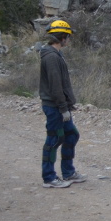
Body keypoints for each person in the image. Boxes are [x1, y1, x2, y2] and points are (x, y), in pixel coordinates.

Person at [40, 19, 86, 188]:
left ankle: (68, 172)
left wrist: (67, 105)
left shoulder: (56, 55)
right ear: (62, 37)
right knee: (53, 139)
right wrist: (62, 108)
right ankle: (49, 177)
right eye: (68, 36)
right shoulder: (51, 57)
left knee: (71, 135)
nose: (69, 39)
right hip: (54, 107)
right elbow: (55, 85)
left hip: (60, 107)